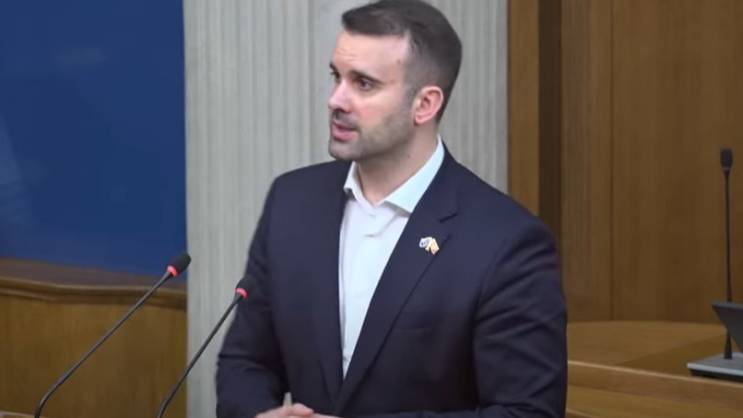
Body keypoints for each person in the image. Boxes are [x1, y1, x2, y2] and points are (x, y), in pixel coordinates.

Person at [216, 1, 567, 417]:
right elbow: (246, 361)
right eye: (336, 76)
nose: (335, 100)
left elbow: (526, 412)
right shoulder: (291, 202)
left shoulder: (506, 242)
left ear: (425, 104)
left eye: (363, 84)